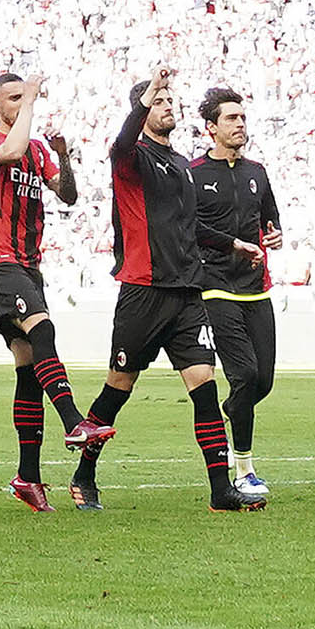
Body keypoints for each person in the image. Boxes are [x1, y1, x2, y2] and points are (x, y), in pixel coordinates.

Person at [67, 68, 267, 514]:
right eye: (159, 101)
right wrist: (145, 96)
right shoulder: (130, 157)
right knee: (118, 388)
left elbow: (188, 224)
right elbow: (120, 142)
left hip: (186, 293)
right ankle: (84, 474)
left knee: (204, 386)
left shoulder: (180, 164)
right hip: (143, 292)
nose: (168, 106)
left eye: (169, 100)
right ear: (142, 111)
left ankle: (220, 489)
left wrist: (233, 243)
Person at [0, 70, 93, 511]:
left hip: (28, 264)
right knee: (43, 330)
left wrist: (64, 156)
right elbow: (12, 148)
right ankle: (75, 420)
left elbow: (69, 196)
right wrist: (34, 102)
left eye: (26, 95)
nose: (23, 102)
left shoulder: (39, 151)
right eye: (14, 97)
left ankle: (28, 477)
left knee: (28, 365)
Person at [192, 87, 281, 496]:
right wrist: (231, 245)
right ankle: (243, 468)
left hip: (256, 288)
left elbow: (270, 220)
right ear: (211, 128)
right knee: (243, 374)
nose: (240, 124)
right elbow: (188, 228)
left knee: (261, 381)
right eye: (231, 119)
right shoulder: (194, 174)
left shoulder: (257, 173)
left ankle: (234, 408)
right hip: (215, 286)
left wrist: (273, 236)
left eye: (242, 118)